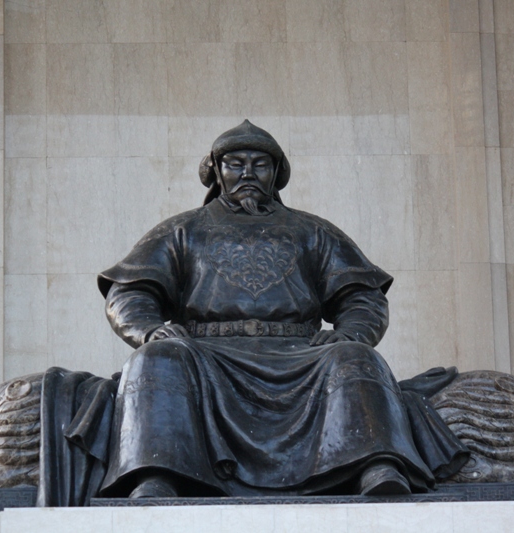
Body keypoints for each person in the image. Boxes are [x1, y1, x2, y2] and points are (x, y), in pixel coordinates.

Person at [95, 120, 465, 499]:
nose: (248, 173)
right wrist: (150, 330)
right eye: (235, 163)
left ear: (276, 173)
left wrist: (350, 333)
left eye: (260, 164)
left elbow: (362, 298)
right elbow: (130, 293)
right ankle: (158, 472)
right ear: (216, 172)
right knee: (157, 358)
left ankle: (375, 466)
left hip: (300, 354)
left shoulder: (313, 231)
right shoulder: (182, 230)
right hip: (206, 354)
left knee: (353, 356)